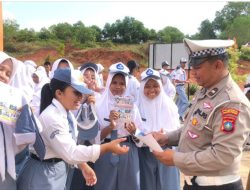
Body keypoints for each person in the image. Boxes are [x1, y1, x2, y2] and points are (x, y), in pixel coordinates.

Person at [152, 38, 250, 190]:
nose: (193, 73)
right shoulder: (205, 90)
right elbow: (194, 128)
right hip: (195, 183)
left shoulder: (231, 103)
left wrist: (176, 158)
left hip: (217, 186)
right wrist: (167, 138)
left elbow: (222, 155)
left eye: (197, 67)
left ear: (217, 65)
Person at [17, 68, 129, 190]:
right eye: (76, 92)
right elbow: (71, 153)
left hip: (56, 169)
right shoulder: (53, 117)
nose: (80, 97)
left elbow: (68, 146)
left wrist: (83, 165)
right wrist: (107, 147)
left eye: (82, 93)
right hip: (42, 173)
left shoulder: (67, 113)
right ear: (59, 93)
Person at [94, 62, 142, 190]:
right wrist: (110, 126)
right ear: (109, 82)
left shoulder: (132, 106)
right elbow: (94, 138)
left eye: (122, 84)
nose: (118, 87)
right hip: (105, 151)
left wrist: (134, 131)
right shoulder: (98, 106)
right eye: (114, 82)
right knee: (104, 185)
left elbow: (141, 136)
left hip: (128, 150)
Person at [137, 68, 180, 190]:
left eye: (155, 85)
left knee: (168, 185)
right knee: (147, 185)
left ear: (161, 85)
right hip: (144, 154)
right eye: (147, 86)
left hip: (166, 151)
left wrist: (165, 134)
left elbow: (177, 130)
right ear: (142, 87)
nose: (151, 90)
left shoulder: (169, 105)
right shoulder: (137, 106)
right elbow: (134, 131)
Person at [0, 52, 33, 190]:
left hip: (5, 169)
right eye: (1, 69)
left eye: (8, 74)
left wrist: (22, 120)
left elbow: (18, 144)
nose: (4, 76)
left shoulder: (10, 104)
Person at [174, 58, 190, 122]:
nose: (184, 64)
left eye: (185, 62)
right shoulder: (179, 71)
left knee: (179, 103)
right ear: (180, 63)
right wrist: (184, 81)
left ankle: (175, 116)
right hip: (179, 87)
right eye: (183, 63)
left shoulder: (182, 70)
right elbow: (176, 80)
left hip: (181, 87)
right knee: (186, 103)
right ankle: (180, 116)